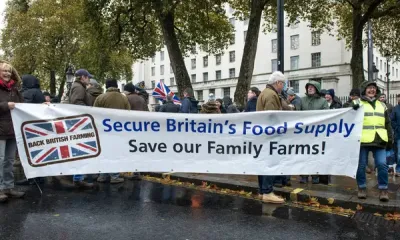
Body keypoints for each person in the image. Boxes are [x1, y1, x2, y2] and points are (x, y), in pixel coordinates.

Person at [352, 81, 392, 202]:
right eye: (369, 88)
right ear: (364, 90)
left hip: (379, 139)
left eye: (374, 88)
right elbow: (350, 110)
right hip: (363, 140)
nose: (372, 90)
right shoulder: (358, 102)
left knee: (382, 165)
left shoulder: (382, 105)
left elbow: (387, 123)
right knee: (361, 165)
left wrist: (390, 139)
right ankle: (362, 188)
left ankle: (383, 189)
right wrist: (356, 102)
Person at [255, 71, 286, 204]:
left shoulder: (264, 92)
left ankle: (263, 191)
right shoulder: (272, 95)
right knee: (270, 163)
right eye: (282, 84)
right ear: (278, 83)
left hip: (262, 135)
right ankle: (267, 191)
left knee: (263, 163)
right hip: (269, 136)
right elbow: (271, 116)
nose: (283, 87)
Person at [94, 78, 130, 184]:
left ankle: (103, 175)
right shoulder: (123, 98)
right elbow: (129, 113)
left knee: (104, 153)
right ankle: (115, 176)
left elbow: (94, 113)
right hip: (118, 130)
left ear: (106, 86)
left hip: (104, 130)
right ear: (116, 85)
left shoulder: (100, 98)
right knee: (114, 153)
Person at [0, 61, 25, 202]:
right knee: (0, 160)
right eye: (4, 70)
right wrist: (5, 105)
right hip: (0, 130)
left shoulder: (15, 90)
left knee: (9, 160)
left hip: (12, 129)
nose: (7, 73)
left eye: (9, 71)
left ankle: (8, 187)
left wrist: (42, 106)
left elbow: (24, 106)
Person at [16, 75, 46, 186]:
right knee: (39, 152)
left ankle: (32, 178)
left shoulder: (28, 93)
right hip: (38, 127)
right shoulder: (39, 92)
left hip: (29, 127)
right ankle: (40, 177)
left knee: (31, 153)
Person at [298, 81, 329, 184]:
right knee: (304, 154)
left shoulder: (323, 101)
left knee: (316, 155)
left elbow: (327, 116)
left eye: (312, 87)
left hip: (317, 134)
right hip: (304, 134)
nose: (310, 88)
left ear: (317, 88)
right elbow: (296, 114)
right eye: (308, 87)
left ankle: (315, 175)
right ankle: (304, 175)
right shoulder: (302, 100)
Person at [69, 69, 93, 188]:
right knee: (81, 150)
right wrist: (89, 112)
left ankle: (78, 177)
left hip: (80, 122)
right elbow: (77, 102)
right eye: (88, 77)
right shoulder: (79, 88)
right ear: (83, 77)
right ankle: (78, 178)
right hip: (81, 123)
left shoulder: (79, 87)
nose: (89, 79)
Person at [390, 94, 400, 178]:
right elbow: (392, 120)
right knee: (399, 153)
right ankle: (398, 170)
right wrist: (397, 128)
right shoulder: (395, 108)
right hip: (399, 134)